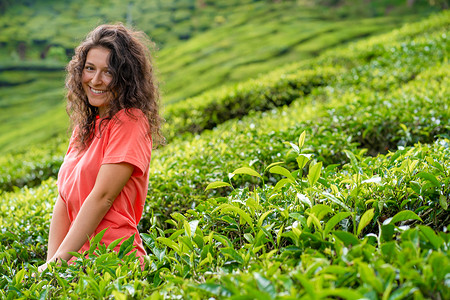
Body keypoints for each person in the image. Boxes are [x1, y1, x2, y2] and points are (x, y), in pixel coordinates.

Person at [38, 23, 164, 272]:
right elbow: (63, 199)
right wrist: (52, 266)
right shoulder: (84, 129)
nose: (96, 80)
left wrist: (58, 262)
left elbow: (103, 197)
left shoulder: (131, 121)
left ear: (125, 77)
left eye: (108, 72)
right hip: (75, 267)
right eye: (89, 68)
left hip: (114, 265)